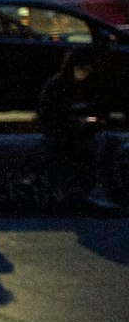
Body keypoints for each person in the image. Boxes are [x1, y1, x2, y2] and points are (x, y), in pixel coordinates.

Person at [38, 48, 126, 212]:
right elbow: (48, 115)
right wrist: (73, 123)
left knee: (108, 142)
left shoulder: (93, 87)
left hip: (88, 131)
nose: (84, 72)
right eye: (81, 67)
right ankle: (91, 192)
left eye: (87, 68)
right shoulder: (56, 86)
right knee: (87, 150)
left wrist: (95, 121)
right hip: (63, 133)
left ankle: (106, 191)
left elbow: (102, 112)